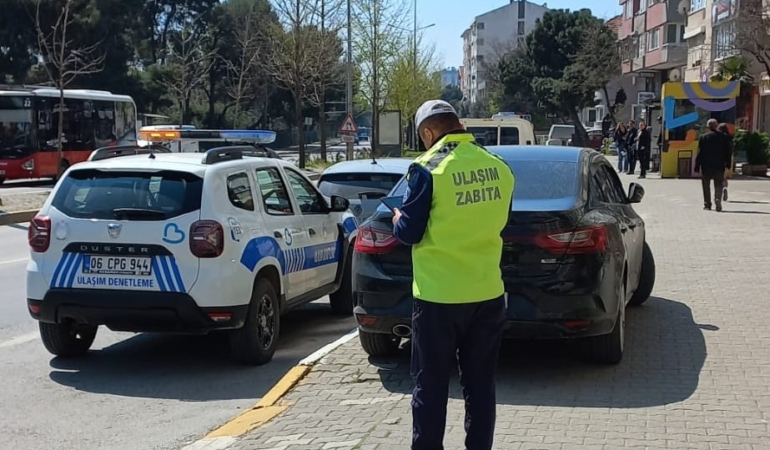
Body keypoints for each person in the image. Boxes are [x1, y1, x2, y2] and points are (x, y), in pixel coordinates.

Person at [391, 99, 515, 450]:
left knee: (430, 386)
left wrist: (399, 217)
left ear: (428, 132)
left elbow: (410, 233)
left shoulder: (427, 168)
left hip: (437, 297)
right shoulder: (499, 165)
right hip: (487, 293)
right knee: (480, 385)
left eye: (422, 137)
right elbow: (502, 219)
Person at [695, 119, 732, 211]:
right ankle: (717, 199)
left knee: (706, 185)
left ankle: (707, 204)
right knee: (718, 184)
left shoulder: (703, 137)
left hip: (706, 166)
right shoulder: (723, 137)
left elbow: (700, 153)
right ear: (716, 126)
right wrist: (728, 164)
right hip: (719, 165)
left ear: (708, 127)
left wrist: (697, 165)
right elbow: (728, 151)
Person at [717, 123, 734, 202]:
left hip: (718, 160)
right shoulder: (729, 139)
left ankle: (719, 191)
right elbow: (730, 151)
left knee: (717, 177)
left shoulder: (718, 138)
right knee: (724, 177)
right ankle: (725, 188)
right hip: (726, 160)